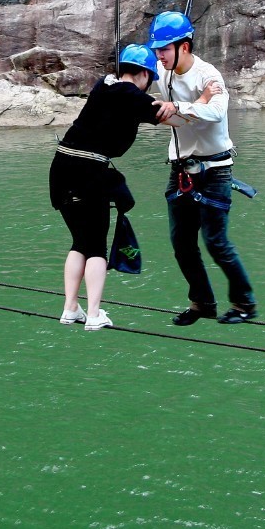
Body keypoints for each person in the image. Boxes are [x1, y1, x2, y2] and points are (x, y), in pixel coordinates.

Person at [50, 44, 180, 331]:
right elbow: (170, 118)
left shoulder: (103, 85)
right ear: (145, 74)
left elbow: (133, 105)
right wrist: (185, 106)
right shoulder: (131, 95)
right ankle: (94, 314)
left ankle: (70, 308)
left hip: (61, 169)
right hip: (89, 172)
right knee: (97, 247)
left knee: (80, 243)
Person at [147, 10, 258, 327]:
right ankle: (202, 303)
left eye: (165, 48)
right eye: (157, 49)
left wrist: (180, 108)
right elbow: (157, 97)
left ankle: (245, 303)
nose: (160, 55)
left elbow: (217, 111)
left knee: (215, 241)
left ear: (184, 46)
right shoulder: (162, 70)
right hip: (180, 168)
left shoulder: (208, 76)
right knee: (181, 243)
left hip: (214, 169)